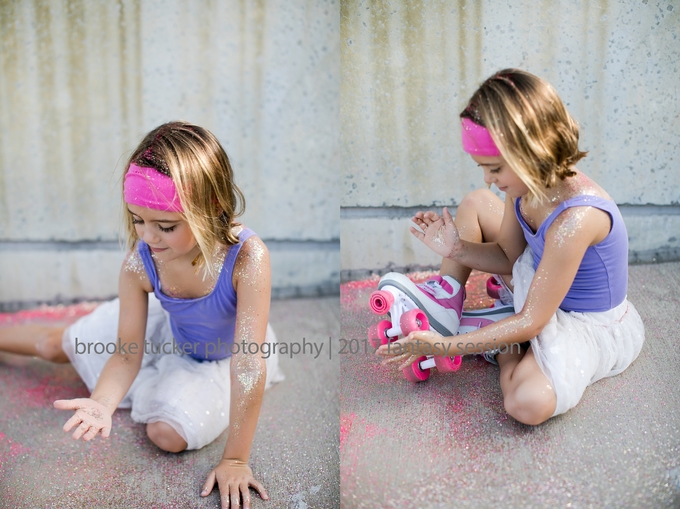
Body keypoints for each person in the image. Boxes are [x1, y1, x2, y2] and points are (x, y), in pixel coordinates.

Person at [0, 121, 283, 508]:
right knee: (53, 345)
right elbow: (127, 352)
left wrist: (235, 459)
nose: (148, 236)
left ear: (211, 207)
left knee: (166, 433)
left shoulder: (247, 259)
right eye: (137, 219)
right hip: (166, 331)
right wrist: (101, 402)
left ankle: (168, 386)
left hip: (224, 357)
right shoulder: (142, 263)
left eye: (165, 225)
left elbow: (248, 364)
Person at [377, 69, 645, 425]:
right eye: (483, 167)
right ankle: (447, 303)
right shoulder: (523, 189)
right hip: (541, 282)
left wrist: (443, 348)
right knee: (476, 201)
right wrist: (456, 250)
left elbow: (534, 320)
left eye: (495, 168)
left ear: (531, 153)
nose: (488, 178)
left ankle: (507, 347)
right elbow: (507, 256)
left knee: (526, 403)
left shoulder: (576, 220)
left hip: (584, 323)